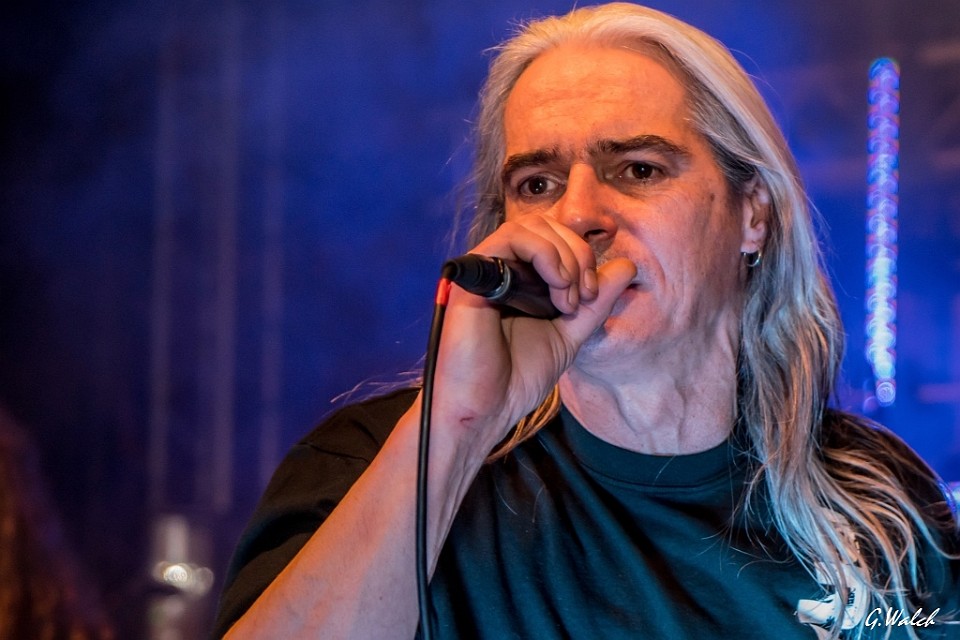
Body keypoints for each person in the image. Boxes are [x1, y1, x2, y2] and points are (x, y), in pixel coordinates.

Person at [213, 3, 960, 638]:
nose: (576, 216)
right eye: (537, 183)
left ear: (752, 215)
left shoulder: (878, 499)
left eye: (638, 169)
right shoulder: (372, 463)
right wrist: (460, 427)